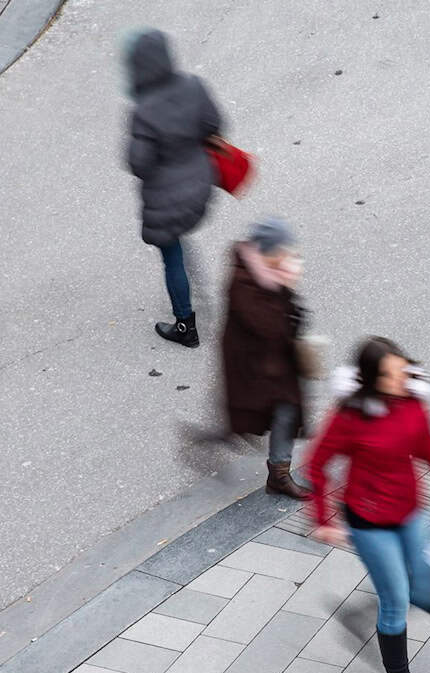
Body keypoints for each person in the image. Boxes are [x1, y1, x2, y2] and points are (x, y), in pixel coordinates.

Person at [306, 338, 430, 673]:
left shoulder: (412, 404)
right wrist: (323, 521)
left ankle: (362, 613)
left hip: (411, 512)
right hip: (369, 522)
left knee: (428, 585)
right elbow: (317, 464)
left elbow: (428, 447)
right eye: (392, 376)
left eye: (403, 372)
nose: (402, 380)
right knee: (396, 600)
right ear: (372, 379)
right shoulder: (349, 416)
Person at [124, 28, 223, 349]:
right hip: (199, 187)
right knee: (179, 240)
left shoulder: (144, 111)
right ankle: (190, 281)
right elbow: (213, 126)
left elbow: (139, 163)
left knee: (172, 255)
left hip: (167, 203)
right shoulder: (193, 86)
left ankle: (185, 326)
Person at [220, 217, 311, 499]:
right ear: (268, 252)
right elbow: (269, 326)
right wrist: (286, 283)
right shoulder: (245, 283)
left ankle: (279, 471)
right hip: (256, 367)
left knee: (287, 410)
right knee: (284, 409)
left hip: (270, 362)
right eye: (282, 251)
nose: (287, 256)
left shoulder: (262, 273)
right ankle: (279, 475)